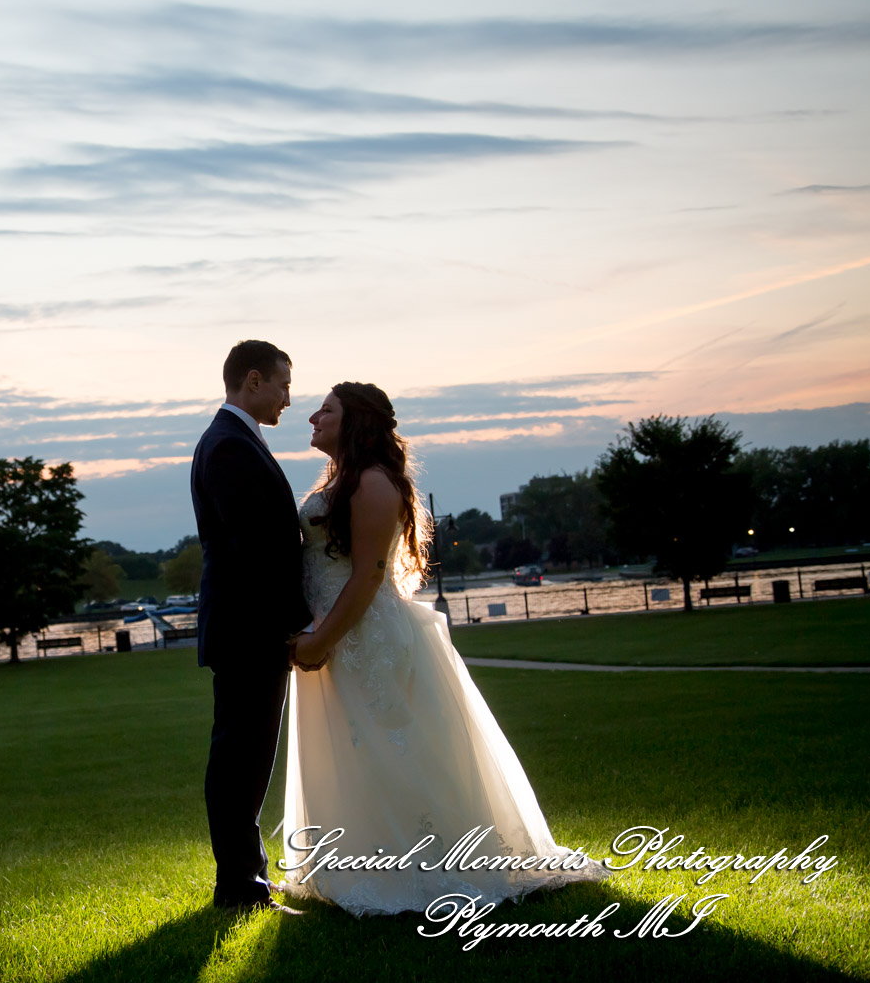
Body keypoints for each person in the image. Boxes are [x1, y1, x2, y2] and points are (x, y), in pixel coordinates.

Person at [282, 383, 607, 915]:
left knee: (393, 752)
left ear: (356, 421)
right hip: (337, 632)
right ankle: (355, 865)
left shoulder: (372, 482)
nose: (313, 417)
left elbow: (369, 575)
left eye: (327, 410)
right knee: (353, 754)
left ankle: (426, 868)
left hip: (365, 636)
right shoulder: (340, 481)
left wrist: (321, 639)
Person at [191, 340, 314, 913]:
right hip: (248, 631)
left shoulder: (233, 440)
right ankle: (239, 886)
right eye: (284, 385)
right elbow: (256, 553)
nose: (288, 398)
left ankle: (247, 877)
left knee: (246, 757)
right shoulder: (228, 446)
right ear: (255, 380)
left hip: (247, 627)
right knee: (241, 759)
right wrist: (296, 624)